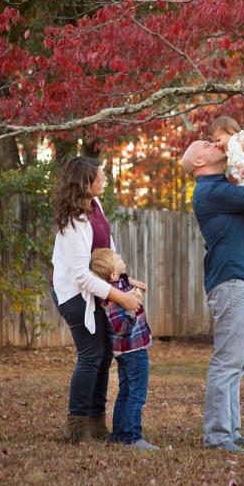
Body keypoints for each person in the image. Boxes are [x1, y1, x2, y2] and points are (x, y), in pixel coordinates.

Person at [181, 138, 244, 454]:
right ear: (199, 161)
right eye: (207, 144)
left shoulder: (222, 187)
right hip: (233, 281)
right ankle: (218, 436)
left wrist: (242, 164)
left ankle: (232, 433)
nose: (215, 144)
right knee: (227, 362)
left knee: (239, 362)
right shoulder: (211, 191)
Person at [51, 156, 144, 444]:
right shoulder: (74, 223)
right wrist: (122, 298)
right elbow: (81, 276)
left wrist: (126, 281)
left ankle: (96, 423)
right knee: (91, 356)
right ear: (85, 183)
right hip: (76, 296)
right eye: (100, 176)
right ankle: (76, 429)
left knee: (104, 357)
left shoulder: (96, 208)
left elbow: (107, 250)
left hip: (98, 291)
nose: (105, 179)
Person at [90, 248, 158, 451]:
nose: (120, 256)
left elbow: (124, 279)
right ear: (112, 274)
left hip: (129, 350)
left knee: (126, 391)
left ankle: (119, 435)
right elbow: (119, 327)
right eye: (117, 258)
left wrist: (133, 284)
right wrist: (133, 305)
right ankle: (133, 437)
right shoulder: (113, 298)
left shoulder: (117, 285)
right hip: (133, 350)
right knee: (136, 394)